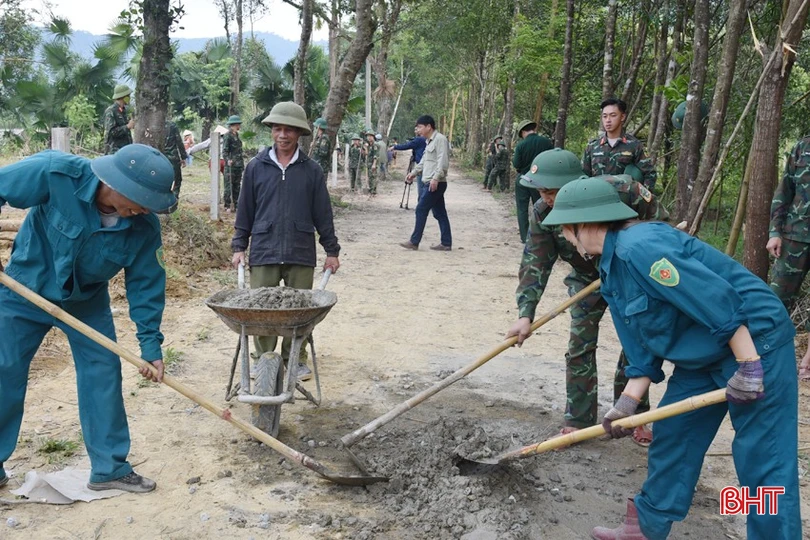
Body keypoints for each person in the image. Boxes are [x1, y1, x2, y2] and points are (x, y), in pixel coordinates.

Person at [542, 177, 800, 540]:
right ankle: (645, 528)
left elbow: (715, 300)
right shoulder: (611, 268)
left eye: (565, 230)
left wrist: (750, 366)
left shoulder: (642, 246)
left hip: (755, 344)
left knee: (762, 459)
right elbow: (642, 346)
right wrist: (626, 406)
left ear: (583, 225)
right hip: (704, 356)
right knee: (674, 437)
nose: (565, 238)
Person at [0, 144, 177, 494]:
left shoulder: (143, 227)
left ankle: (110, 468)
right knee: (3, 370)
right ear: (118, 184)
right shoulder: (57, 173)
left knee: (103, 371)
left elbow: (146, 287)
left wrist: (150, 346)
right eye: (141, 200)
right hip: (24, 289)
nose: (143, 210)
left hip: (85, 301)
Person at [507, 149, 666, 444]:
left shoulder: (623, 191)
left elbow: (660, 228)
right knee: (579, 345)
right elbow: (535, 261)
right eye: (541, 191)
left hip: (630, 278)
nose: (546, 198)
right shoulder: (543, 212)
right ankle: (578, 419)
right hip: (585, 281)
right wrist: (525, 313)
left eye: (551, 191)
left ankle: (633, 415)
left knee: (637, 345)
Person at [231, 102, 340, 380]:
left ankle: (295, 359)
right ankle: (263, 359)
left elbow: (323, 214)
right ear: (272, 132)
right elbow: (245, 210)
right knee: (263, 310)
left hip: (300, 250)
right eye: (278, 129)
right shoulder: (256, 167)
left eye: (289, 130)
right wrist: (239, 246)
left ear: (299, 133)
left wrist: (331, 250)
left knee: (299, 311)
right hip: (264, 249)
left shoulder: (311, 170)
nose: (283, 135)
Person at [768, 134, 810, 381]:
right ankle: (767, 357)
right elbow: (783, 191)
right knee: (775, 300)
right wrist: (775, 231)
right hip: (795, 236)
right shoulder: (802, 147)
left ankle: (807, 363)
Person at [400, 115, 452, 251]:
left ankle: (414, 241)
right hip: (430, 181)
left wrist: (436, 178)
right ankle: (446, 243)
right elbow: (423, 161)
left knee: (421, 209)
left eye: (420, 127)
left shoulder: (440, 139)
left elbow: (443, 160)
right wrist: (413, 173)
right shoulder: (428, 141)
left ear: (429, 126)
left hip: (435, 182)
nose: (418, 130)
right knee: (440, 213)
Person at [582, 97, 657, 189]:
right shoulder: (592, 146)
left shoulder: (634, 145)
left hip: (623, 200)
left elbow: (649, 173)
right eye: (605, 116)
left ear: (622, 117)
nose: (608, 120)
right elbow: (584, 176)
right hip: (598, 197)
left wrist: (641, 198)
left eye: (613, 115)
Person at [512, 120, 552, 243]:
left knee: (522, 208)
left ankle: (525, 237)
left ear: (523, 132)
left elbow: (516, 164)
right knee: (542, 206)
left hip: (524, 179)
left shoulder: (521, 145)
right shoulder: (546, 142)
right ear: (533, 129)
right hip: (540, 181)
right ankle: (542, 234)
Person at [392, 129, 427, 201]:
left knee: (421, 187)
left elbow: (407, 146)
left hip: (421, 166)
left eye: (417, 129)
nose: (415, 131)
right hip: (426, 165)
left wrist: (395, 147)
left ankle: (421, 204)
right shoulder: (427, 139)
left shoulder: (419, 139)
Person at [103, 84, 134, 155]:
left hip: (124, 150)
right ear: (123, 97)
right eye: (128, 96)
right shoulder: (111, 111)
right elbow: (111, 132)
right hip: (114, 152)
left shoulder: (123, 111)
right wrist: (127, 127)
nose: (129, 98)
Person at [222, 115, 244, 213]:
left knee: (237, 185)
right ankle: (227, 205)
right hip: (231, 165)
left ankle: (235, 204)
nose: (239, 126)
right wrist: (228, 160)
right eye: (237, 124)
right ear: (233, 125)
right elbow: (225, 151)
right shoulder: (228, 135)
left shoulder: (237, 135)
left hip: (238, 165)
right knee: (228, 185)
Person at [163, 119, 188, 201]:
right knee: (177, 179)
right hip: (172, 156)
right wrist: (183, 157)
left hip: (160, 156)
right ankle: (174, 198)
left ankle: (163, 196)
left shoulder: (154, 124)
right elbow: (179, 141)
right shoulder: (172, 125)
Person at [364, 131, 379, 195]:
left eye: (370, 136)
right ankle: (370, 189)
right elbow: (367, 154)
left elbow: (375, 156)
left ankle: (373, 191)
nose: (369, 138)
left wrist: (374, 164)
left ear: (373, 137)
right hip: (369, 163)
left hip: (373, 163)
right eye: (368, 136)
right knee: (370, 177)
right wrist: (365, 148)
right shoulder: (368, 145)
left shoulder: (374, 145)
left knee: (373, 177)